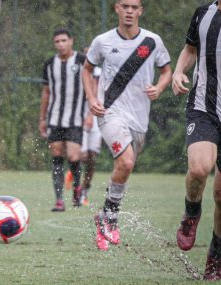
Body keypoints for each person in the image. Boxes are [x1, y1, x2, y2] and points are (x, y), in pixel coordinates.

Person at [82, 0, 172, 251]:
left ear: (141, 10)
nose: (130, 11)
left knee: (125, 165)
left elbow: (166, 70)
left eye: (135, 7)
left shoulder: (152, 41)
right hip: (109, 112)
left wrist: (160, 87)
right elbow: (87, 69)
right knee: (127, 161)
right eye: (125, 6)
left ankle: (103, 215)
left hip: (139, 119)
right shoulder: (103, 41)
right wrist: (91, 99)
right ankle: (111, 217)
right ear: (116, 9)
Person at [172, 1, 221, 280]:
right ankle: (191, 213)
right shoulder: (203, 14)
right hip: (204, 107)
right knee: (200, 167)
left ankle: (216, 253)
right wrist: (179, 71)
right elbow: (190, 49)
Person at [39, 28, 87, 212]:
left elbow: (93, 86)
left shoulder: (82, 61)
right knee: (57, 156)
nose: (60, 44)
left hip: (76, 118)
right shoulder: (50, 64)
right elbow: (46, 92)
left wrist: (90, 114)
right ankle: (59, 200)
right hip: (55, 118)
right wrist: (42, 118)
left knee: (74, 156)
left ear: (71, 41)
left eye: (63, 40)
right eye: (57, 41)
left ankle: (76, 189)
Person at [81, 62, 103, 206]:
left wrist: (91, 115)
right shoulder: (80, 71)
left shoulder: (101, 71)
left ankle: (84, 191)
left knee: (92, 158)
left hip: (97, 118)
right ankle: (77, 185)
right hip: (78, 117)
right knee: (80, 156)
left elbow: (96, 91)